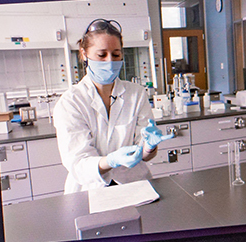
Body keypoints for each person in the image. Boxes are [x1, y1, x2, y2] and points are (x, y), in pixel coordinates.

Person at [52, 19, 174, 193]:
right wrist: (111, 161)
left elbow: (146, 156)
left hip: (135, 185)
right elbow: (78, 163)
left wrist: (149, 146)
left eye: (116, 55)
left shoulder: (136, 94)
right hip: (90, 190)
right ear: (84, 54)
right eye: (101, 55)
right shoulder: (71, 102)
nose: (110, 62)